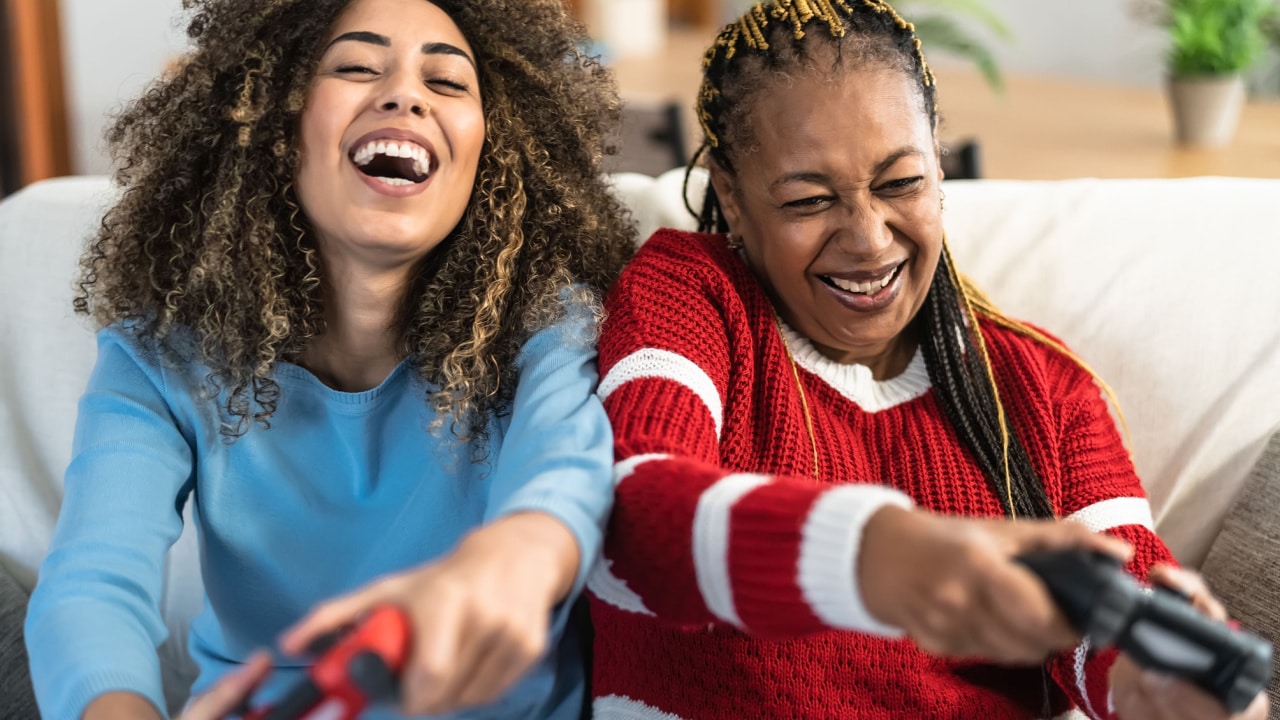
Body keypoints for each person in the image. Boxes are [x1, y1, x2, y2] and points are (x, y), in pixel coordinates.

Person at [587, 1, 1270, 719]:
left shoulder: (1040, 387)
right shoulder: (690, 295)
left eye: (900, 183)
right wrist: (880, 557)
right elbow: (638, 514)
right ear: (731, 193)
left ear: (938, 162)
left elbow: (1115, 600)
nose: (868, 239)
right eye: (809, 200)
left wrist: (1156, 679)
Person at [23, 0, 635, 718]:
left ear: (492, 150)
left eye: (447, 82)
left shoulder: (547, 328)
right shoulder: (160, 355)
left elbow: (563, 481)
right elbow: (92, 584)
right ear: (273, 123)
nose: (405, 93)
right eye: (355, 66)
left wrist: (514, 560)